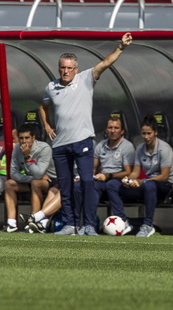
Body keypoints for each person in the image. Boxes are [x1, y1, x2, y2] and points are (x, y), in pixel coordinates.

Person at [39, 33, 133, 235]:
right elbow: (43, 106)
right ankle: (70, 224)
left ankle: (89, 224)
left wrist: (121, 47)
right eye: (62, 67)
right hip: (60, 145)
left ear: (76, 69)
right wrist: (47, 126)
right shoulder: (51, 86)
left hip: (82, 141)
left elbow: (106, 62)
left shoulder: (86, 78)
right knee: (65, 186)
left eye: (69, 68)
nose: (65, 71)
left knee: (88, 182)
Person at [120, 114, 173, 237]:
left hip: (165, 186)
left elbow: (165, 176)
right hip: (149, 184)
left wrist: (142, 181)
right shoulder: (140, 148)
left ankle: (147, 225)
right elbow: (136, 171)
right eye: (143, 133)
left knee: (149, 185)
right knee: (118, 187)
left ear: (155, 132)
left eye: (149, 133)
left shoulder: (164, 149)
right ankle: (123, 221)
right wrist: (128, 179)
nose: (146, 137)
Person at [84, 116, 136, 235]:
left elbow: (129, 171)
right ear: (106, 130)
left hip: (119, 180)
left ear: (122, 131)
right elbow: (94, 168)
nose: (113, 131)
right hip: (103, 179)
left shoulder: (127, 146)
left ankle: (123, 221)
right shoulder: (100, 145)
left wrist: (108, 175)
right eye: (110, 127)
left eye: (116, 128)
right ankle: (90, 225)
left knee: (111, 184)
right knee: (91, 186)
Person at [3, 124, 57, 232]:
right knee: (9, 184)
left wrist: (27, 157)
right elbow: (13, 173)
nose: (24, 141)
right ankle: (11, 223)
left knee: (36, 183)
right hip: (32, 179)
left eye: (27, 138)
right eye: (21, 138)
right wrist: (29, 179)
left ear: (33, 137)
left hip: (51, 180)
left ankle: (33, 221)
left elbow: (38, 174)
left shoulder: (44, 148)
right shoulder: (17, 148)